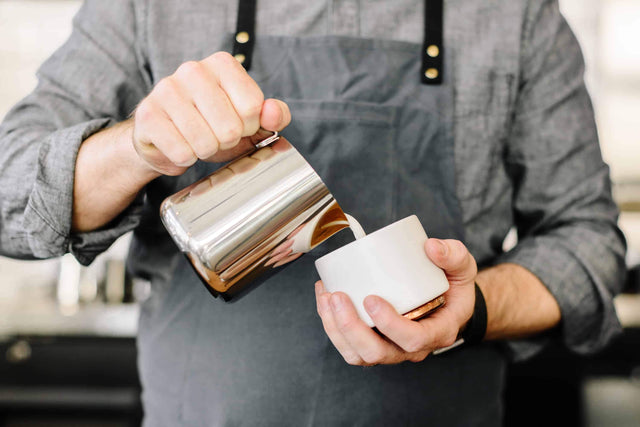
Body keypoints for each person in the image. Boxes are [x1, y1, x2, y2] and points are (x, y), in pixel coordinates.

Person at [0, 0, 626, 425]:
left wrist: (474, 308)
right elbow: (10, 204)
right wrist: (137, 144)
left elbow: (590, 245)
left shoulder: (514, 15)